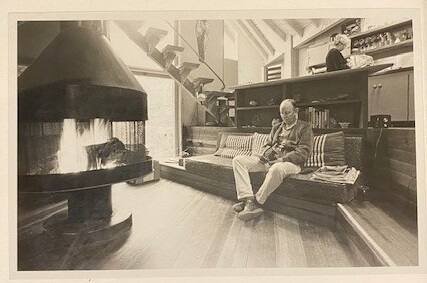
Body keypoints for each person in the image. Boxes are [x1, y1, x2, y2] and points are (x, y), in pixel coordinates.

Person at [231, 99, 314, 221]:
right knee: (238, 160)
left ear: (296, 111)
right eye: (282, 113)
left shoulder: (305, 128)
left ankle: (257, 202)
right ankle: (248, 199)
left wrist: (281, 159)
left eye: (287, 112)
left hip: (291, 164)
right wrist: (263, 155)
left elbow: (304, 152)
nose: (284, 116)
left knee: (276, 168)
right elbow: (268, 144)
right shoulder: (277, 127)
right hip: (270, 161)